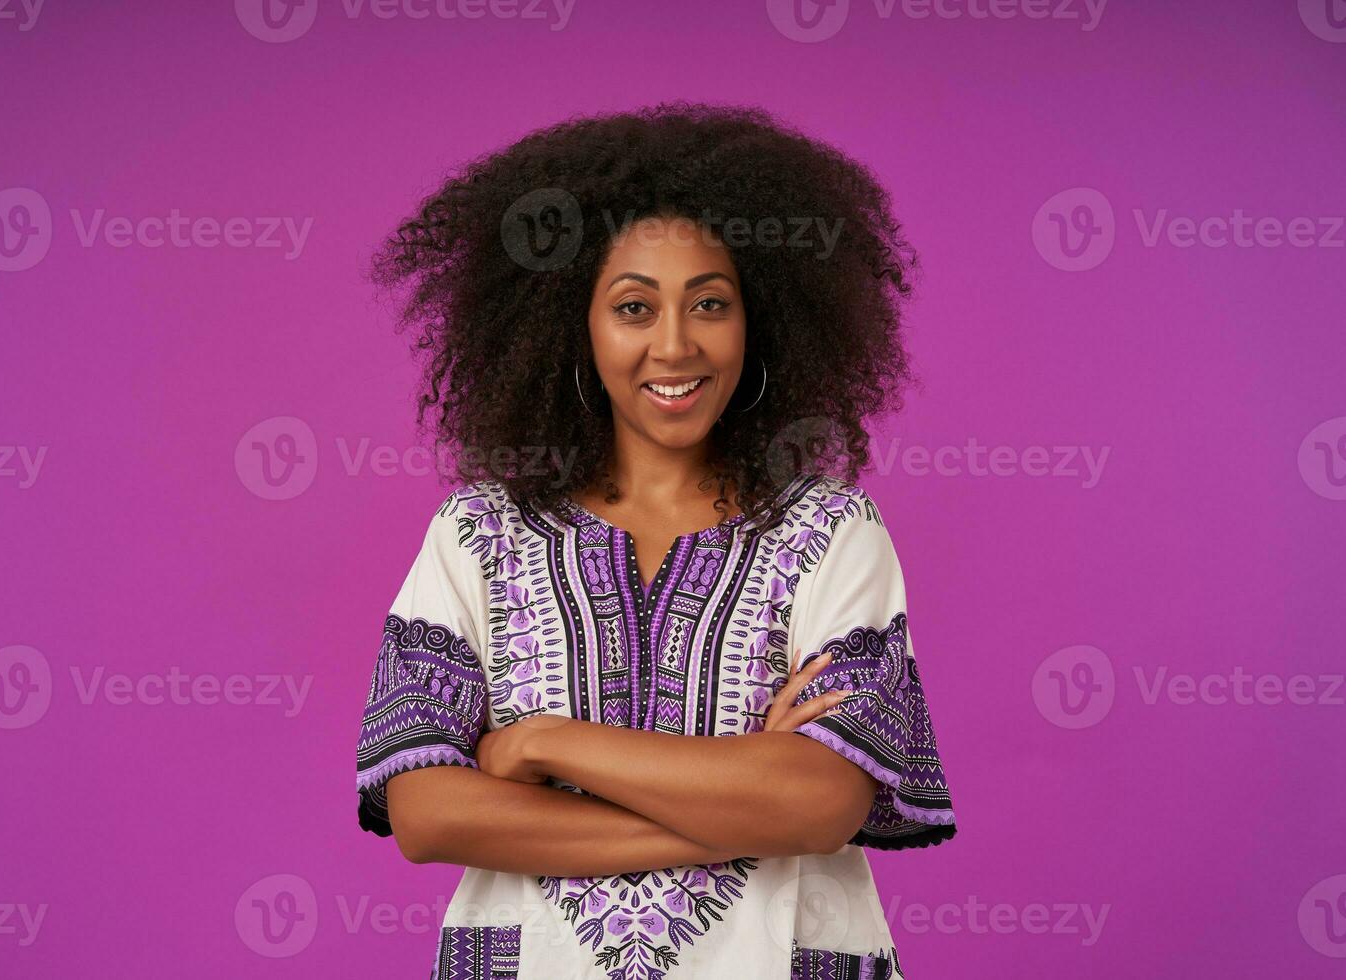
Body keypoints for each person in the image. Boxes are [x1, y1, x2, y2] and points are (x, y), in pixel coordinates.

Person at [355, 102, 956, 980]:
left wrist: (540, 742)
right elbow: (427, 814)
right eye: (634, 307)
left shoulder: (830, 532)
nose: (674, 346)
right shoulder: (476, 534)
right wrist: (742, 807)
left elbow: (823, 803)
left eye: (709, 303)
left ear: (760, 324)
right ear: (576, 325)